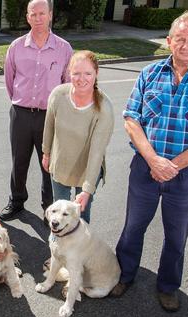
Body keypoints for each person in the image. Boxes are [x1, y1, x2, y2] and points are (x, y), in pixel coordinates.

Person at [111, 11, 188, 312]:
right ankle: (124, 274)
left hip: (187, 175)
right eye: (180, 38)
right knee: (132, 228)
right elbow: (131, 119)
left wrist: (172, 165)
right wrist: (153, 159)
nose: (186, 44)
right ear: (169, 41)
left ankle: (167, 286)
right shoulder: (149, 73)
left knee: (176, 236)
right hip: (144, 169)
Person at [0, 0, 73, 221]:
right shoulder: (16, 47)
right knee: (18, 160)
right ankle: (17, 200)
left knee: (48, 163)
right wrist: (19, 102)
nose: (38, 18)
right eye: (34, 14)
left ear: (50, 15)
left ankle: (49, 208)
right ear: (27, 17)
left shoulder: (64, 48)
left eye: (42, 13)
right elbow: (9, 79)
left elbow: (67, 83)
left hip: (49, 116)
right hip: (20, 113)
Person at [42, 50, 114, 224]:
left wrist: (87, 190)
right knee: (58, 215)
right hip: (61, 164)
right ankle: (58, 249)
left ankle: (82, 250)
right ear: (69, 73)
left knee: (80, 217)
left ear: (96, 73)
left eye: (88, 73)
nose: (82, 79)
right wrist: (46, 153)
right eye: (76, 73)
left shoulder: (104, 108)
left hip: (87, 169)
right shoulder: (58, 95)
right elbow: (49, 126)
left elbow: (97, 153)